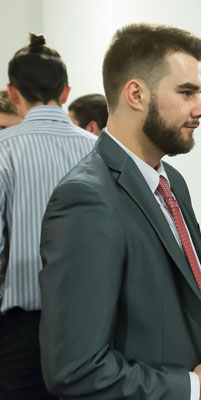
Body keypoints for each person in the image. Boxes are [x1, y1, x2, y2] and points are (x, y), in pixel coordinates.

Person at [39, 23, 201, 399]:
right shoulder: (86, 198)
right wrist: (192, 386)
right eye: (186, 93)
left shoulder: (172, 183)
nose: (200, 109)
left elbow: (158, 313)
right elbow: (75, 368)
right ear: (136, 94)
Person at [0, 34, 96, 399]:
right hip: (94, 324)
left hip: (21, 330)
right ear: (66, 91)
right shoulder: (98, 150)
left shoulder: (4, 150)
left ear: (12, 92)